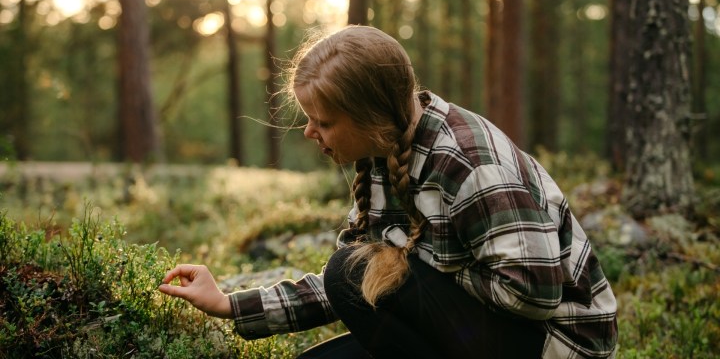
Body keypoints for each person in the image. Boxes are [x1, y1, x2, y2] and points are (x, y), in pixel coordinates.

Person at [158, 25, 618, 358]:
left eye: (323, 122)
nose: (309, 133)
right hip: (478, 330)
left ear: (371, 116)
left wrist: (411, 261)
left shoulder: (470, 165)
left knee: (351, 269)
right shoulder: (385, 151)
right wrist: (229, 304)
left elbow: (534, 294)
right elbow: (364, 278)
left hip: (555, 345)